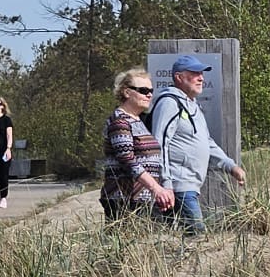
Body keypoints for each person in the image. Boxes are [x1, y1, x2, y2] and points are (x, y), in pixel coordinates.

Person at [148, 54, 245, 235]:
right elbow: (159, 143)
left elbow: (206, 142)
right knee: (197, 235)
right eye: (194, 74)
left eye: (201, 73)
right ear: (179, 77)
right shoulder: (169, 103)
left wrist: (230, 166)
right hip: (178, 185)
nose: (201, 78)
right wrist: (166, 183)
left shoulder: (192, 105)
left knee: (183, 238)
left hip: (188, 186)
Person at [101, 67, 175, 220]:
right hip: (125, 200)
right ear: (127, 92)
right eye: (143, 90)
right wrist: (156, 189)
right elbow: (127, 160)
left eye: (151, 91)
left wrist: (161, 189)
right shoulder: (120, 122)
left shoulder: (138, 121)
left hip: (145, 199)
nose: (149, 95)